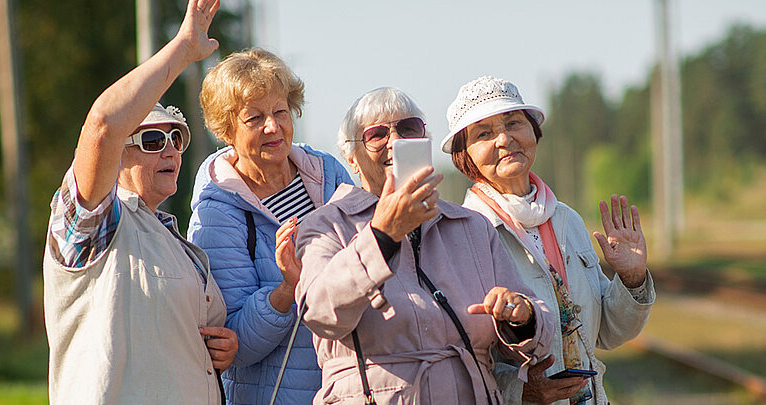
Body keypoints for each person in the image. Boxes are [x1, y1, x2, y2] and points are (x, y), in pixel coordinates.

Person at [292, 87, 555, 404]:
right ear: (351, 157)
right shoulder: (325, 225)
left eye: (408, 128)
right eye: (377, 134)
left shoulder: (470, 226)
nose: (395, 141)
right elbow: (319, 312)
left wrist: (520, 316)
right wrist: (382, 234)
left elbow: (536, 326)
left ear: (424, 139)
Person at [42, 1, 237, 403]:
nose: (169, 151)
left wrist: (221, 349)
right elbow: (103, 125)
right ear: (119, 155)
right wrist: (183, 48)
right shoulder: (94, 224)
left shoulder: (177, 242)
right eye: (151, 140)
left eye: (176, 138)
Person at [441, 76, 655, 405]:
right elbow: (456, 355)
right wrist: (519, 391)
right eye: (484, 133)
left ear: (534, 133)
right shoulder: (461, 234)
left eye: (514, 123)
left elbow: (607, 333)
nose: (504, 139)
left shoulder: (566, 219)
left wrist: (631, 278)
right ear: (464, 156)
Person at [187, 47, 353, 404]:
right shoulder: (216, 213)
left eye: (280, 111)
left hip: (349, 387)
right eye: (254, 118)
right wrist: (286, 288)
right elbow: (234, 346)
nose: (273, 126)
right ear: (226, 129)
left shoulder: (329, 174)